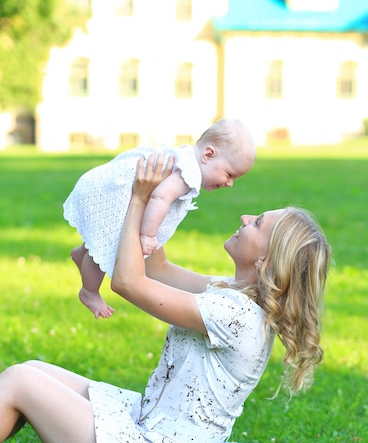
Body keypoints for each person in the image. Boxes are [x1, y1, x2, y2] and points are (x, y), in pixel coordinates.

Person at [0, 154, 331, 443]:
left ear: (265, 260)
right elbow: (157, 269)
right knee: (32, 370)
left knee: (21, 382)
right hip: (149, 427)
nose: (246, 218)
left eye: (258, 223)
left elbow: (129, 282)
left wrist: (140, 199)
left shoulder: (236, 317)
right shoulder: (231, 294)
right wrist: (169, 194)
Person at [63, 118, 256, 318]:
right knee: (108, 246)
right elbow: (160, 197)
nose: (230, 183)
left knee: (103, 235)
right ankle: (89, 291)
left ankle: (82, 252)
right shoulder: (189, 172)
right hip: (114, 194)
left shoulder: (186, 156)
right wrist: (148, 235)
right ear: (208, 154)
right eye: (229, 174)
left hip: (105, 187)